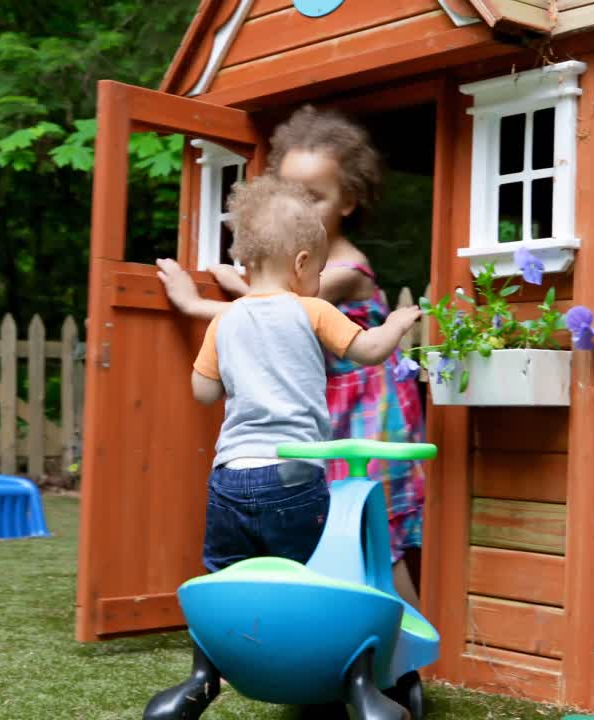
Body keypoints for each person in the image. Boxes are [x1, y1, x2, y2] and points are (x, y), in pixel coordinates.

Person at [144, 173, 420, 720]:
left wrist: (234, 371)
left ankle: (201, 680)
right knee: (313, 583)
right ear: (300, 265)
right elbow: (365, 350)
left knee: (227, 582)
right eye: (316, 269)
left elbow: (202, 392)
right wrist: (396, 321)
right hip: (293, 476)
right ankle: (354, 688)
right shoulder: (309, 310)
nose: (316, 278)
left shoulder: (225, 319)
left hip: (229, 477)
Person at [157, 104, 427, 608]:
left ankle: (404, 641)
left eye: (315, 197)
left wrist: (199, 303)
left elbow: (279, 313)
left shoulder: (345, 267)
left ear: (349, 199)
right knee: (333, 529)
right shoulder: (297, 278)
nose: (299, 207)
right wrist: (247, 280)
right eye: (290, 194)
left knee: (374, 534)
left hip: (369, 412)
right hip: (325, 409)